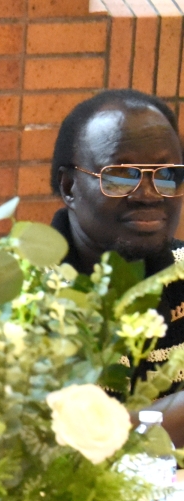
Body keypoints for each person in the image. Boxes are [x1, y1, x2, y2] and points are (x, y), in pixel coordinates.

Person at [50, 88, 184, 445]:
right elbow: (70, 443)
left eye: (168, 175)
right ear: (70, 187)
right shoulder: (20, 291)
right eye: (121, 175)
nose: (148, 193)